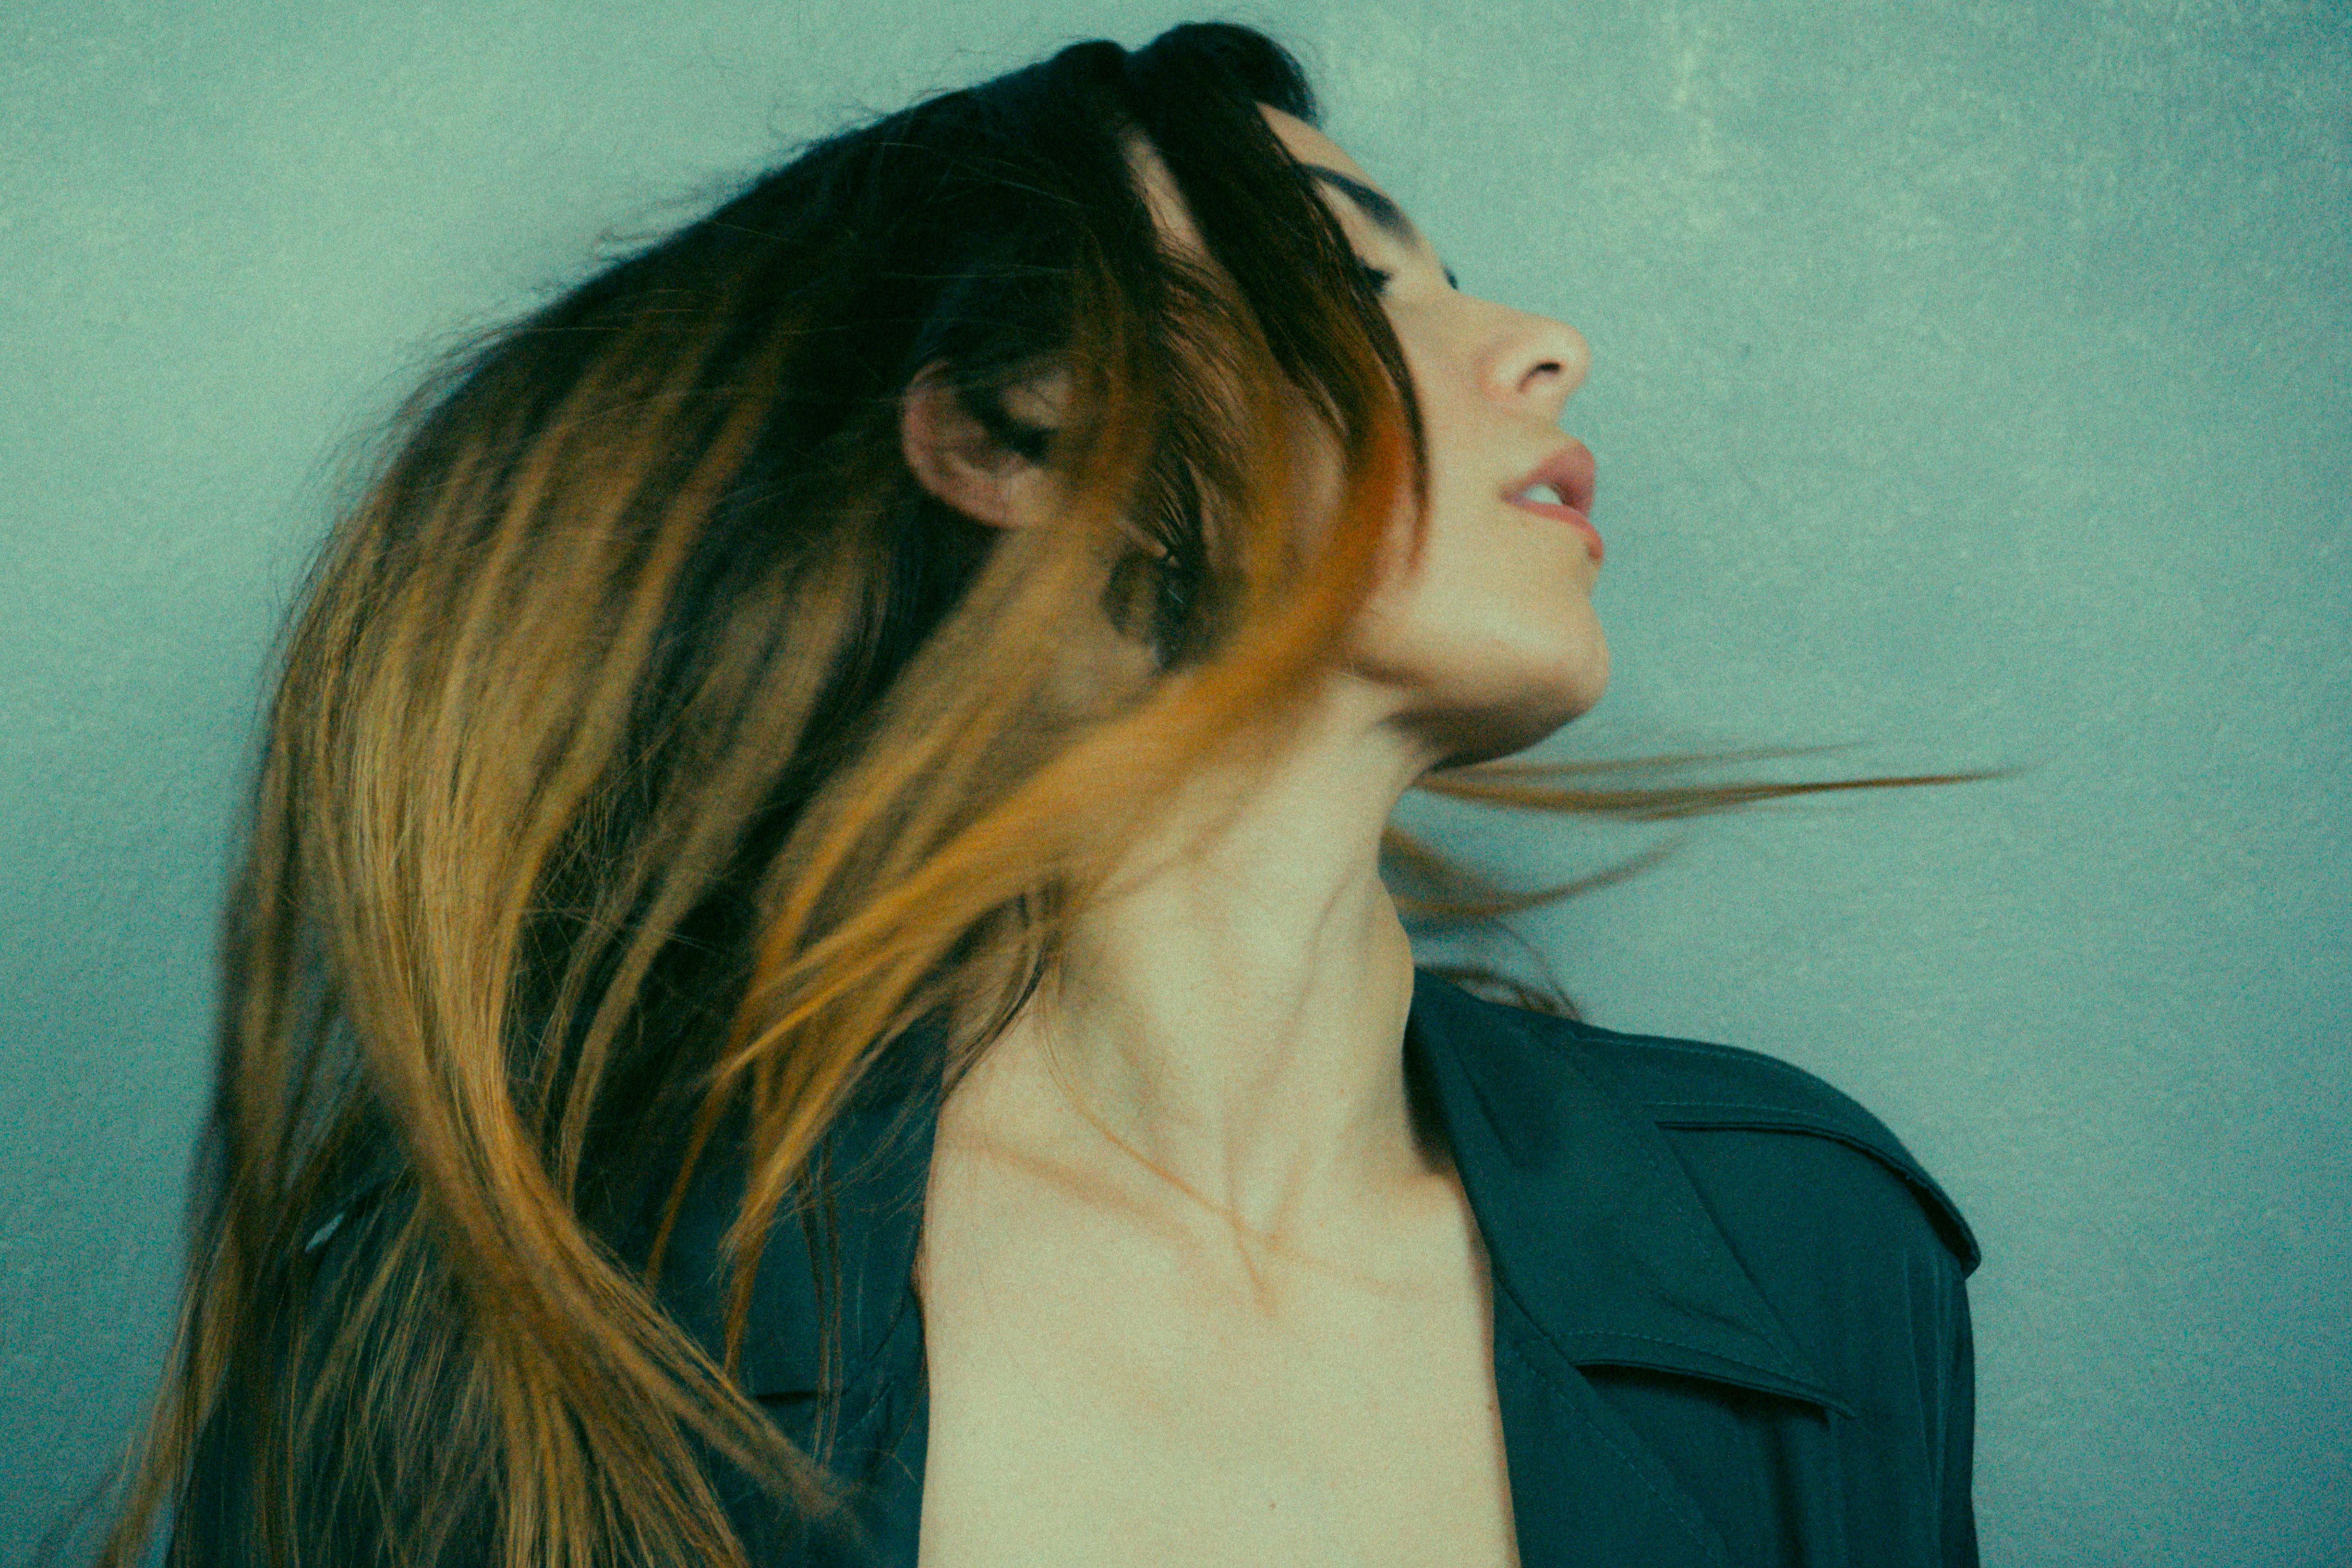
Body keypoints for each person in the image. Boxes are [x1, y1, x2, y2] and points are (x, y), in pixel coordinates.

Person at [75, 21, 2015, 1568]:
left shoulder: (1805, 1239)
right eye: (1344, 281)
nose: (1544, 343)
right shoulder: (496, 1350)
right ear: (1013, 429)